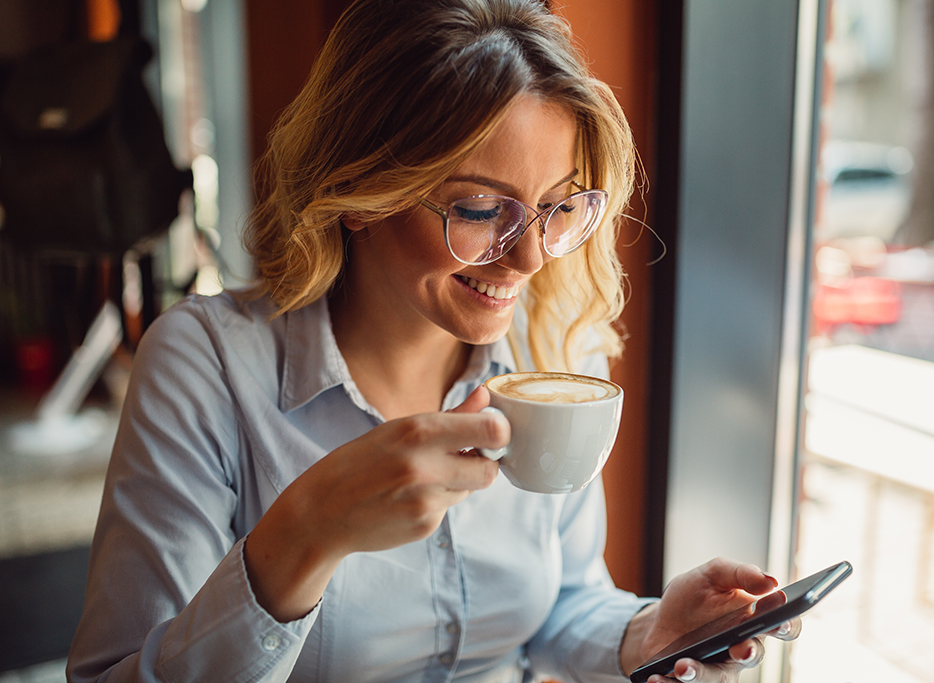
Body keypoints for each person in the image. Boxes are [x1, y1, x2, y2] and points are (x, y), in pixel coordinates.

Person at [68, 1, 800, 681]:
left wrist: (644, 632)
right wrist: (304, 535)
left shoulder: (555, 350)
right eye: (480, 208)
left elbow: (562, 601)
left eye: (555, 209)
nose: (531, 258)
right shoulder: (207, 366)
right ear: (359, 191)